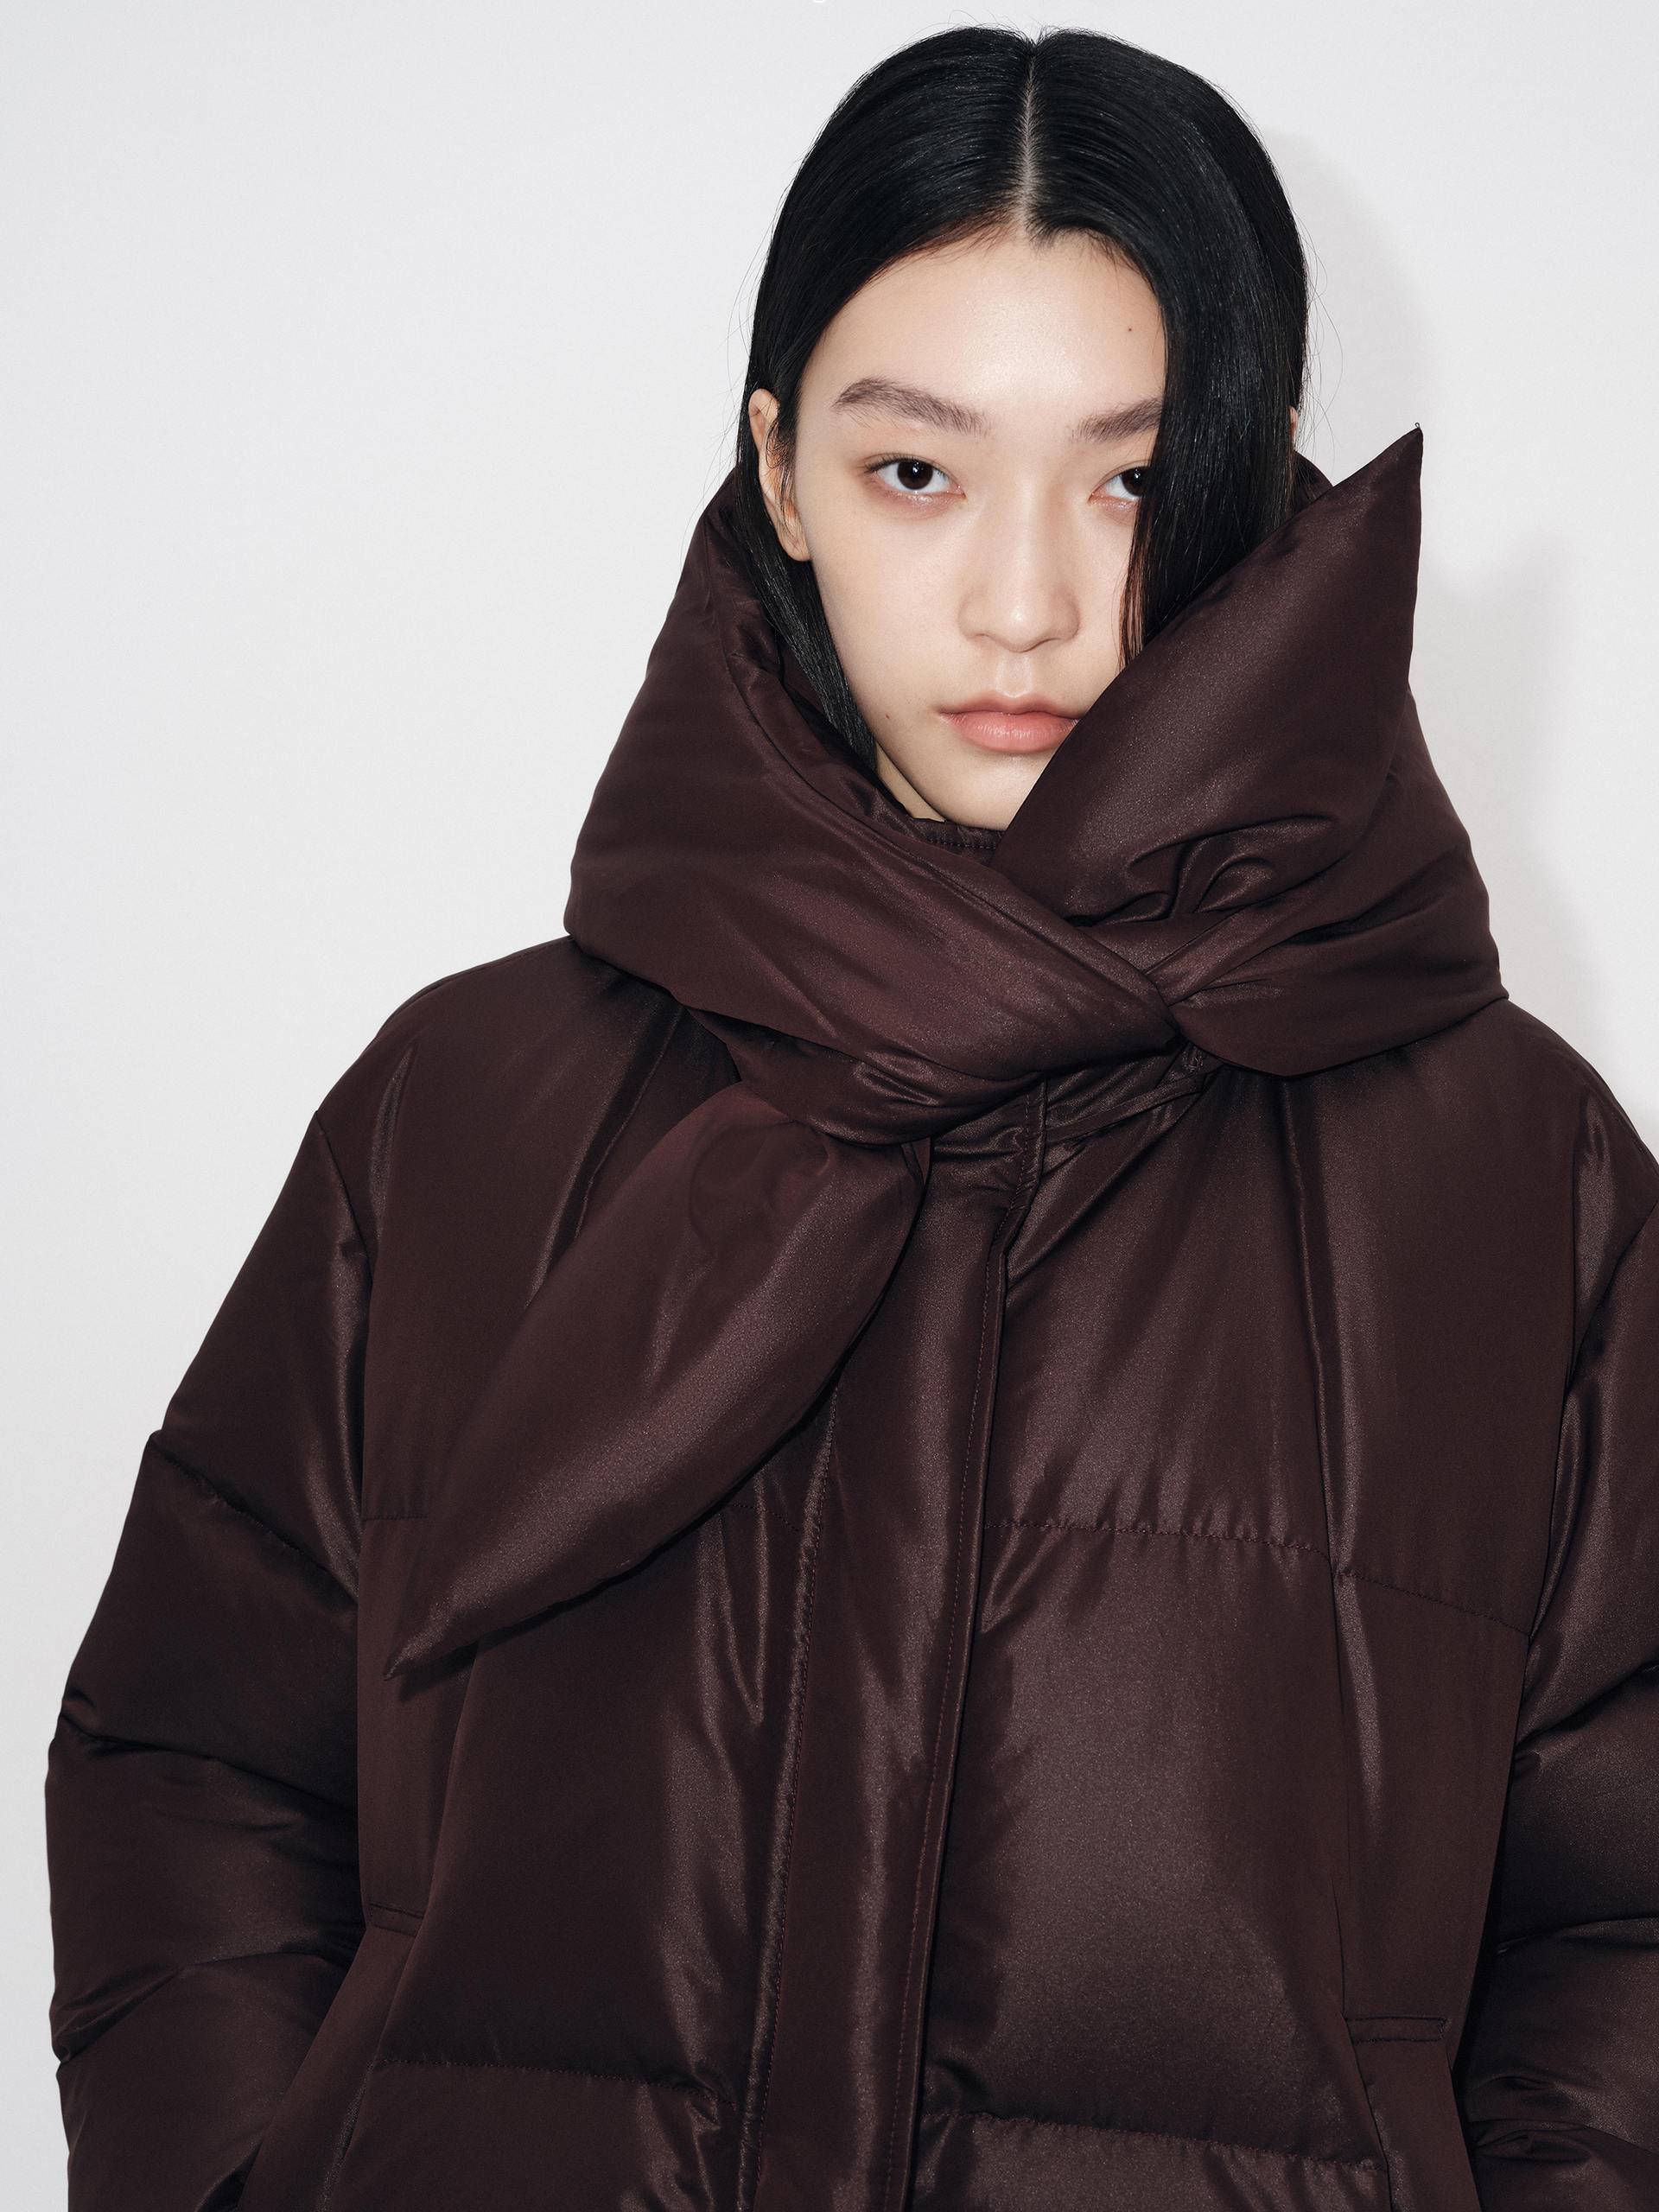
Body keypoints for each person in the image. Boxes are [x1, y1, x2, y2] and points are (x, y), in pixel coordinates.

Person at [44, 24, 1659, 2212]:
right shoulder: (468, 1111)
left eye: (1127, 479)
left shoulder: (1508, 1177)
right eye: (919, 470)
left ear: (1255, 493)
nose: (1025, 600)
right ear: (781, 472)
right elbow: (194, 1755)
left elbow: (1625, 1907)